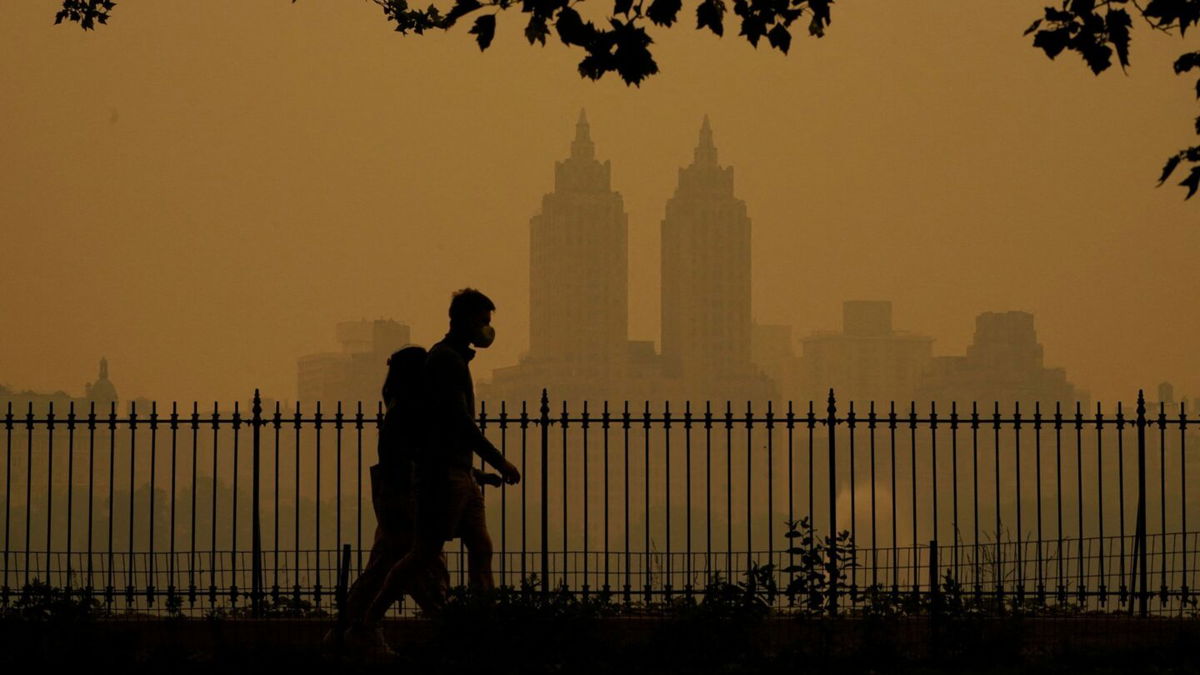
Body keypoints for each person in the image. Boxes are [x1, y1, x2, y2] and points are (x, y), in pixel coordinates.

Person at [362, 288, 520, 640]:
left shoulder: (455, 359)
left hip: (460, 474)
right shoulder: (446, 361)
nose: (487, 329)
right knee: (423, 553)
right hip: (443, 477)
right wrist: (499, 461)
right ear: (462, 320)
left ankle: (483, 622)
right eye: (482, 321)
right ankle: (370, 618)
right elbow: (457, 422)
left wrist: (477, 472)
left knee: (481, 547)